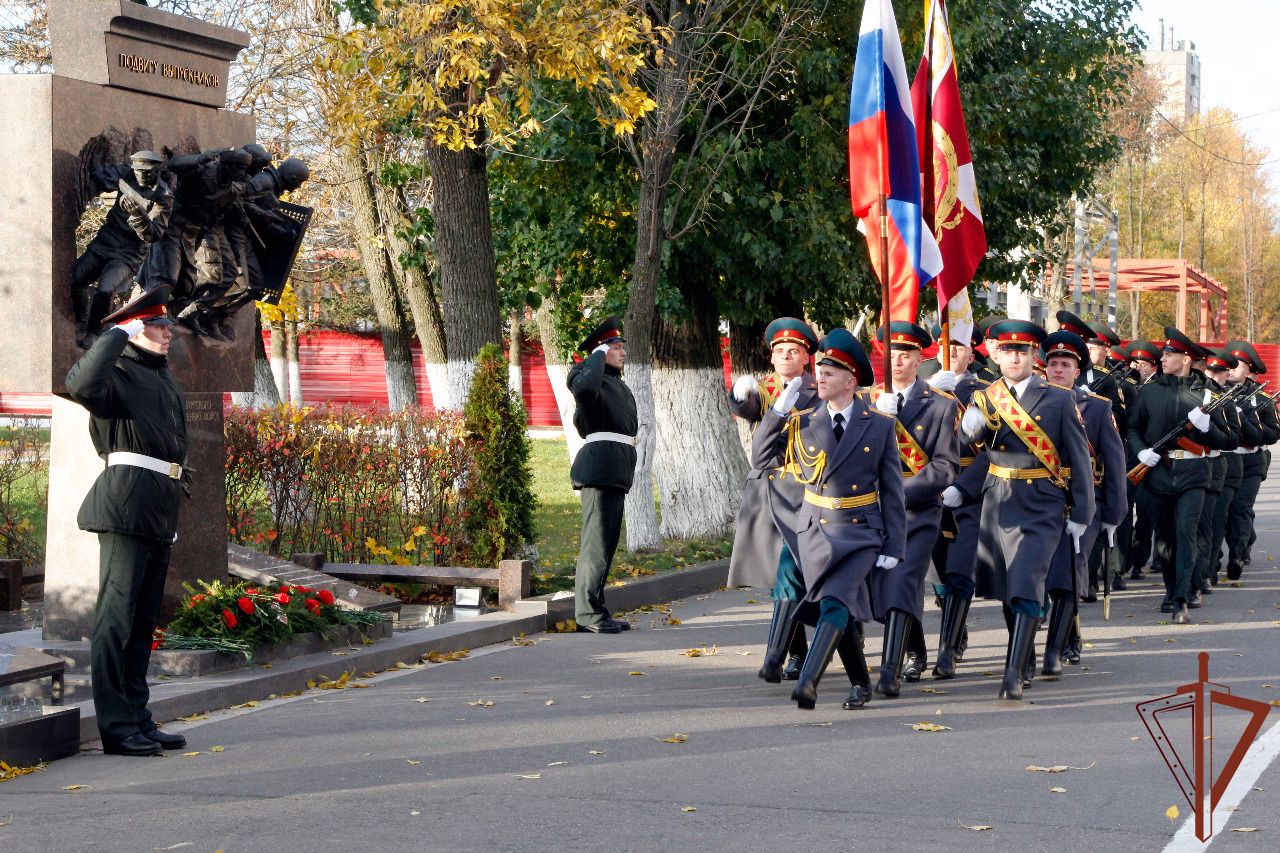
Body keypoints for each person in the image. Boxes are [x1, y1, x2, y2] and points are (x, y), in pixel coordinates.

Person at [64, 286, 190, 757]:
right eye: (155, 326)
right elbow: (79, 384)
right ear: (135, 329)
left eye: (167, 326)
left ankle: (138, 716)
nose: (166, 333)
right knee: (115, 619)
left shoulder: (159, 377)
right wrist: (119, 332)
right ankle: (116, 727)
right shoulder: (116, 374)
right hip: (125, 505)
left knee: (142, 620)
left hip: (158, 504)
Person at [751, 328, 905, 710]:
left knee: (835, 601)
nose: (819, 377)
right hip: (815, 530)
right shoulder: (801, 420)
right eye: (819, 370)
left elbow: (893, 489)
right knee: (836, 609)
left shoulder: (879, 425)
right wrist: (777, 412)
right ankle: (860, 683)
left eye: (830, 372)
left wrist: (894, 545)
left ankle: (808, 682)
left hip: (860, 531)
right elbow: (759, 460)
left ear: (851, 381)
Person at [960, 320, 1093, 700]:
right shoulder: (985, 397)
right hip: (998, 501)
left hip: (1042, 503)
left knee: (1026, 582)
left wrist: (1082, 513)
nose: (1014, 357)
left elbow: (1080, 460)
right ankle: (1026, 655)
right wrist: (968, 430)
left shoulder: (1058, 398)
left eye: (1022, 351)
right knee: (1006, 589)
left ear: (1034, 356)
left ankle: (1012, 672)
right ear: (996, 355)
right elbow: (964, 450)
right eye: (1007, 350)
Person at [727, 318, 820, 682]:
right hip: (769, 494)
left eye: (793, 352)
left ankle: (830, 632)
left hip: (807, 495)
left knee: (795, 573)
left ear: (806, 357)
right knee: (780, 577)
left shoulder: (820, 387)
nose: (786, 357)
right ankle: (796, 652)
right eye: (780, 352)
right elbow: (749, 410)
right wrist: (739, 394)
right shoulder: (764, 389)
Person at [868, 322, 958, 696]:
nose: (898, 361)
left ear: (920, 358)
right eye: (891, 354)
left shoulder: (940, 404)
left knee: (903, 580)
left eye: (905, 354)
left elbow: (944, 467)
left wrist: (899, 492)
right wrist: (874, 416)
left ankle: (889, 673)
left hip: (917, 512)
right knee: (884, 587)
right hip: (873, 514)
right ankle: (916, 650)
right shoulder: (868, 401)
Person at [1126, 327, 1233, 624]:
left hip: (1194, 473)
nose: (1163, 358)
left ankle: (1181, 598)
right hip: (1157, 471)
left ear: (1185, 359)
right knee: (1164, 539)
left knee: (1187, 533)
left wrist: (1206, 427)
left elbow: (1229, 439)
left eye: (1169, 354)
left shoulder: (1209, 394)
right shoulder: (1149, 391)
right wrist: (1140, 452)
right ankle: (1171, 589)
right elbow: (1133, 427)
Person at [1039, 331, 1127, 677]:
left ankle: (1059, 646)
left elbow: (1115, 464)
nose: (1058, 369)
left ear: (1078, 371)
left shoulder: (1098, 407)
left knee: (1069, 572)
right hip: (1041, 501)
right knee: (1047, 574)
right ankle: (1068, 631)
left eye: (1066, 364)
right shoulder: (1030, 404)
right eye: (1053, 364)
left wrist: (1114, 514)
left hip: (1084, 503)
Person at [567, 316, 638, 634]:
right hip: (599, 469)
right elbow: (583, 388)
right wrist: (595, 355)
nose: (622, 352)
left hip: (615, 469)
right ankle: (587, 614)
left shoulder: (614, 384)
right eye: (616, 347)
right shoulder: (585, 376)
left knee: (606, 544)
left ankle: (597, 609)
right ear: (600, 351)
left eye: (623, 347)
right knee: (595, 544)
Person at [71, 150, 173, 348]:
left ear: (156, 170)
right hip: (105, 242)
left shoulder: (163, 196)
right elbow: (101, 174)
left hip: (129, 253)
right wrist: (107, 179)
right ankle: (80, 319)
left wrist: (137, 213)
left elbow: (152, 234)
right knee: (76, 280)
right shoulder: (126, 174)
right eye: (139, 171)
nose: (142, 175)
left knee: (106, 289)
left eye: (148, 172)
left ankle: (94, 332)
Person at [932, 326, 988, 679]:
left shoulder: (987, 392)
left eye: (960, 347)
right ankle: (957, 625)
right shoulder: (922, 388)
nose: (952, 352)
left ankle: (947, 651)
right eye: (946, 346)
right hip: (931, 490)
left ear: (972, 353)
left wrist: (965, 487)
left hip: (972, 492)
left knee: (959, 570)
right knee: (939, 572)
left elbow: (997, 449)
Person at [1223, 340, 1279, 580]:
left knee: (1241, 507)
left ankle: (1236, 556)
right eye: (1231, 364)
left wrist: (1249, 422)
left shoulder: (1260, 398)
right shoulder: (1215, 391)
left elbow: (1273, 433)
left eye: (1240, 365)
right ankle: (1241, 541)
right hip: (1225, 460)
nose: (1234, 369)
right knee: (1222, 511)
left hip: (1251, 461)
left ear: (1250, 370)